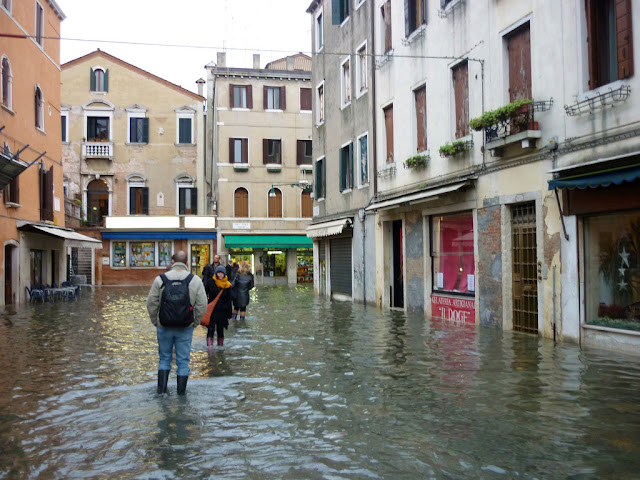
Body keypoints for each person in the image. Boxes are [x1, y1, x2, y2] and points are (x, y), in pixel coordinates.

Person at [147, 251, 207, 395]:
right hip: (185, 327)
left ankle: (161, 392)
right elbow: (202, 305)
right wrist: (195, 322)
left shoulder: (160, 279)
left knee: (164, 359)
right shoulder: (195, 280)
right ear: (187, 263)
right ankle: (181, 394)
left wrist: (156, 321)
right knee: (183, 361)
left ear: (172, 262)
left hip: (164, 326)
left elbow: (151, 303)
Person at [205, 265, 233, 347]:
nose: (220, 275)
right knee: (210, 329)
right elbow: (205, 294)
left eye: (221, 273)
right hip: (212, 310)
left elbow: (229, 300)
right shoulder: (211, 282)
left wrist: (229, 314)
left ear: (224, 274)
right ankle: (209, 347)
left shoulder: (228, 285)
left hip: (223, 311)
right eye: (218, 273)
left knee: (220, 330)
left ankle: (220, 347)